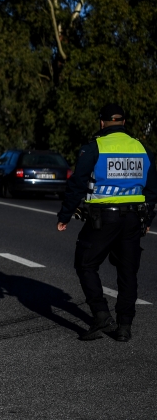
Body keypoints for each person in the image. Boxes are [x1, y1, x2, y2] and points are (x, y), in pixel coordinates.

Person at [57, 103, 157, 341]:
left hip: (103, 217)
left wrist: (65, 215)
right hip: (134, 218)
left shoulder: (95, 147)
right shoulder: (142, 148)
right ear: (124, 122)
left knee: (85, 263)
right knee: (127, 271)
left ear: (102, 123)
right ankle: (124, 327)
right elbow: (153, 189)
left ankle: (101, 314)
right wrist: (148, 219)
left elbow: (77, 183)